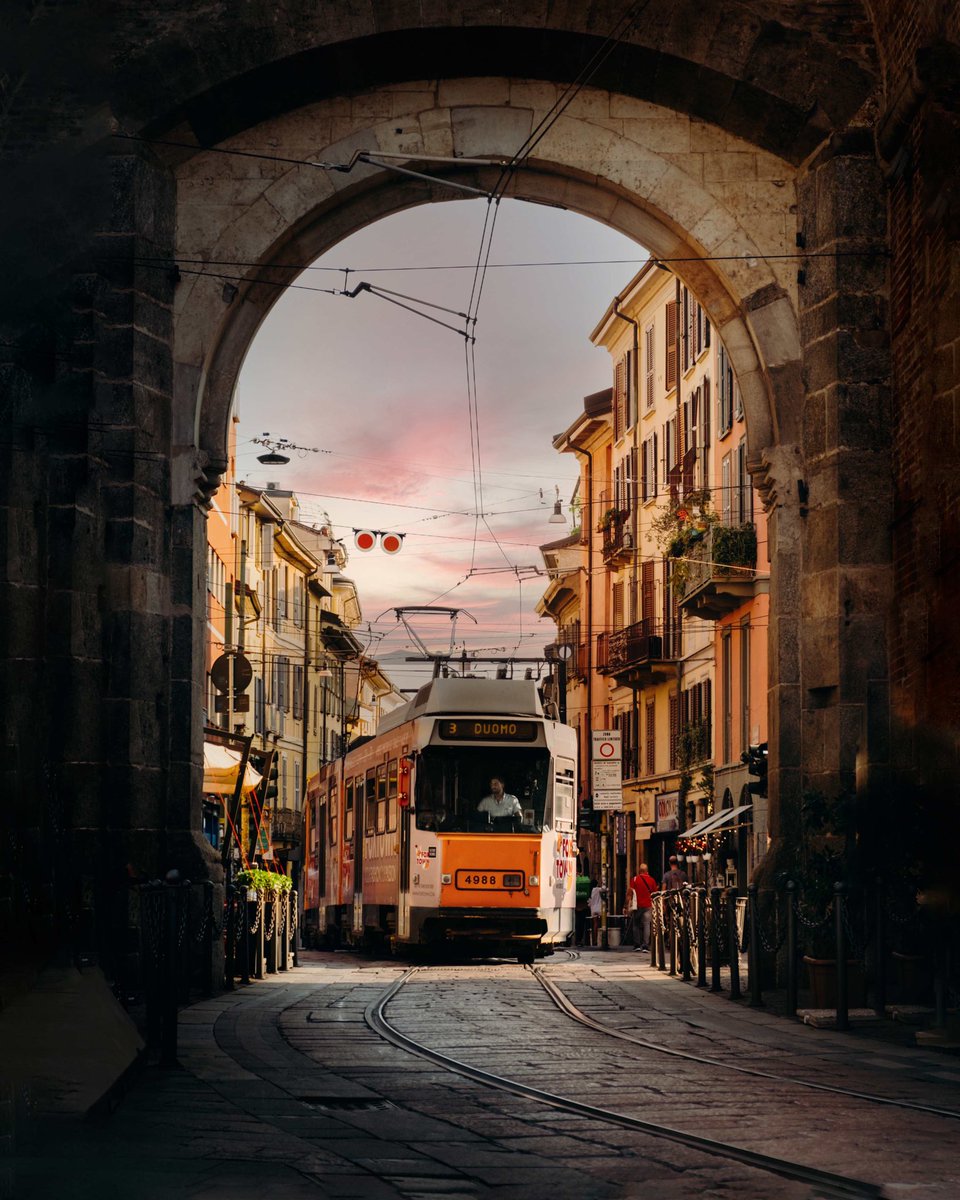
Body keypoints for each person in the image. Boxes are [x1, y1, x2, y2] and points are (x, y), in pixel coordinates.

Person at [630, 862, 658, 951]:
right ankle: (645, 945)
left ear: (639, 870)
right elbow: (655, 893)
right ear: (647, 871)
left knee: (636, 924)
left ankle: (637, 945)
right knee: (646, 925)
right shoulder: (652, 880)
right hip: (648, 905)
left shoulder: (634, 879)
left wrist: (627, 904)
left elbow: (630, 892)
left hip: (637, 905)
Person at [574, 870, 591, 945]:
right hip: (583, 907)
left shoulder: (573, 882)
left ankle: (577, 940)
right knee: (582, 925)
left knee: (578, 925)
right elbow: (588, 896)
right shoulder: (584, 882)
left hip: (576, 908)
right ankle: (580, 940)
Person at [588, 878, 604, 946]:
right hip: (599, 908)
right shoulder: (597, 889)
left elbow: (589, 901)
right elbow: (605, 889)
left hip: (593, 908)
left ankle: (594, 940)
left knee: (595, 924)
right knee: (600, 924)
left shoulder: (590, 890)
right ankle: (600, 939)